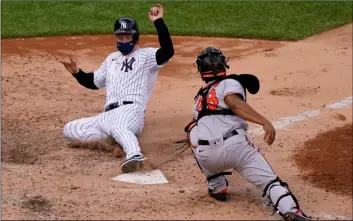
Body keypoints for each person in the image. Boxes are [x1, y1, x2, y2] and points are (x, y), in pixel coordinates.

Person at [183, 47, 309, 221]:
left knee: (192, 129)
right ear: (223, 64)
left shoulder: (198, 99)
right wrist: (264, 121)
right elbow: (234, 103)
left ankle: (216, 184)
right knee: (271, 183)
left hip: (207, 157)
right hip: (236, 149)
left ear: (200, 69)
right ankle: (291, 211)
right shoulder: (229, 83)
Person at [60, 4, 174, 173]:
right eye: (120, 37)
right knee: (71, 129)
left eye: (127, 37)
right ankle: (116, 141)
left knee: (119, 126)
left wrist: (158, 22)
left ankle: (134, 155)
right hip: (108, 114)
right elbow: (95, 82)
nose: (123, 40)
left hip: (131, 110)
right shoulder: (112, 59)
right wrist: (77, 73)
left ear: (135, 37)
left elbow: (167, 51)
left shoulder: (146, 56)